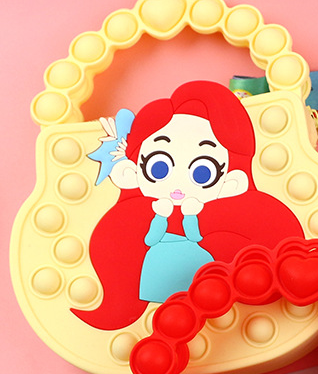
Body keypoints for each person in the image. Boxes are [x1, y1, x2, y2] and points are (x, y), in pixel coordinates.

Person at [75, 80, 302, 330]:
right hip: (162, 267)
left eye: (203, 172)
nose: (178, 185)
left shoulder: (232, 228)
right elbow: (150, 239)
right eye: (158, 167)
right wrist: (160, 217)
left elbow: (194, 236)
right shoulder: (131, 227)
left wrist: (191, 217)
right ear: (131, 172)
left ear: (232, 181)